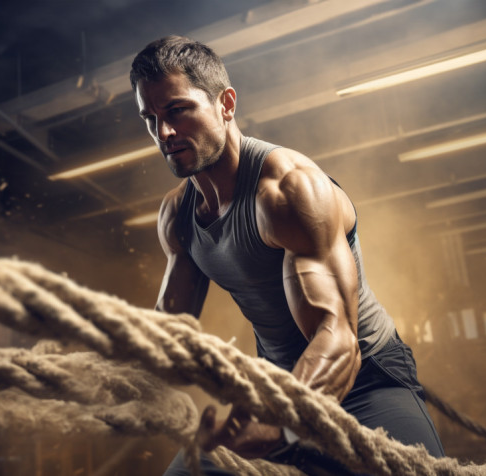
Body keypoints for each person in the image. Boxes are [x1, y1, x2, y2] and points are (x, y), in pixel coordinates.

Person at [130, 36, 444, 475]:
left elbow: (337, 338)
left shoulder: (288, 191)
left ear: (226, 103)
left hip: (366, 380)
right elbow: (168, 333)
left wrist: (283, 428)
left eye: (178, 111)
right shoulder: (177, 216)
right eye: (151, 118)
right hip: (278, 386)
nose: (163, 133)